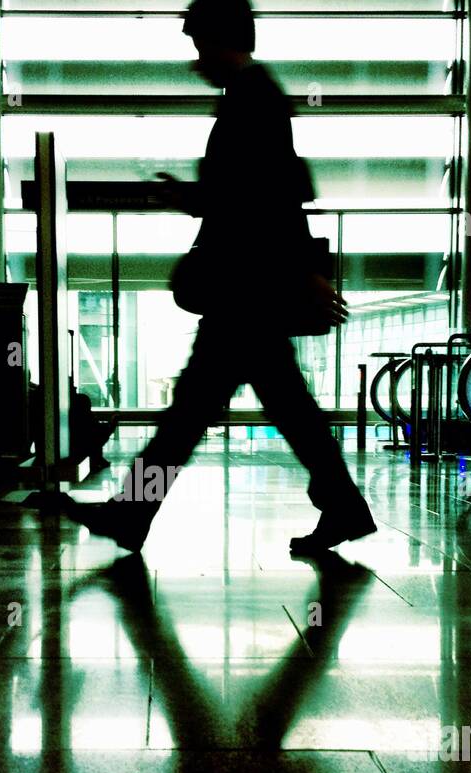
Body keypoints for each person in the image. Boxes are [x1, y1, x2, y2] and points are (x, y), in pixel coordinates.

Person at [63, 0, 375, 555]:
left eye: (201, 47)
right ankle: (344, 507)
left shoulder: (254, 101)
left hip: (245, 290)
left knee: (193, 415)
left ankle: (133, 515)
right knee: (271, 412)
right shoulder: (255, 98)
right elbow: (268, 195)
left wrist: (304, 269)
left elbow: (270, 197)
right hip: (250, 289)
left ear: (222, 40)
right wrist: (197, 200)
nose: (197, 61)